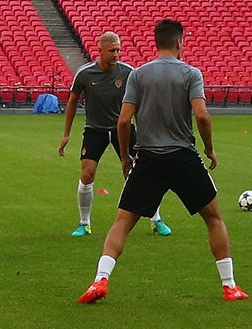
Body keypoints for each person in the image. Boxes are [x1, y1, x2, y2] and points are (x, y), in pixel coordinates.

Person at [78, 18, 246, 304]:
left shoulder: (139, 75)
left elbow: (123, 121)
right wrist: (209, 149)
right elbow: (202, 116)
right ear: (180, 43)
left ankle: (100, 280)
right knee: (214, 218)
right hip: (183, 157)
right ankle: (229, 286)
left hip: (149, 158)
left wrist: (125, 158)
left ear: (156, 43)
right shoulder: (191, 74)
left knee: (122, 222)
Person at [59, 31, 170, 238]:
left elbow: (141, 105)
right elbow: (72, 101)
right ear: (100, 50)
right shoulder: (85, 74)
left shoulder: (129, 73)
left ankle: (156, 219)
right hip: (95, 130)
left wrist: (146, 132)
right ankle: (84, 223)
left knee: (139, 174)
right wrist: (67, 134)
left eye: (118, 50)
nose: (116, 54)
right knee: (87, 173)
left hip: (124, 128)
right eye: (112, 51)